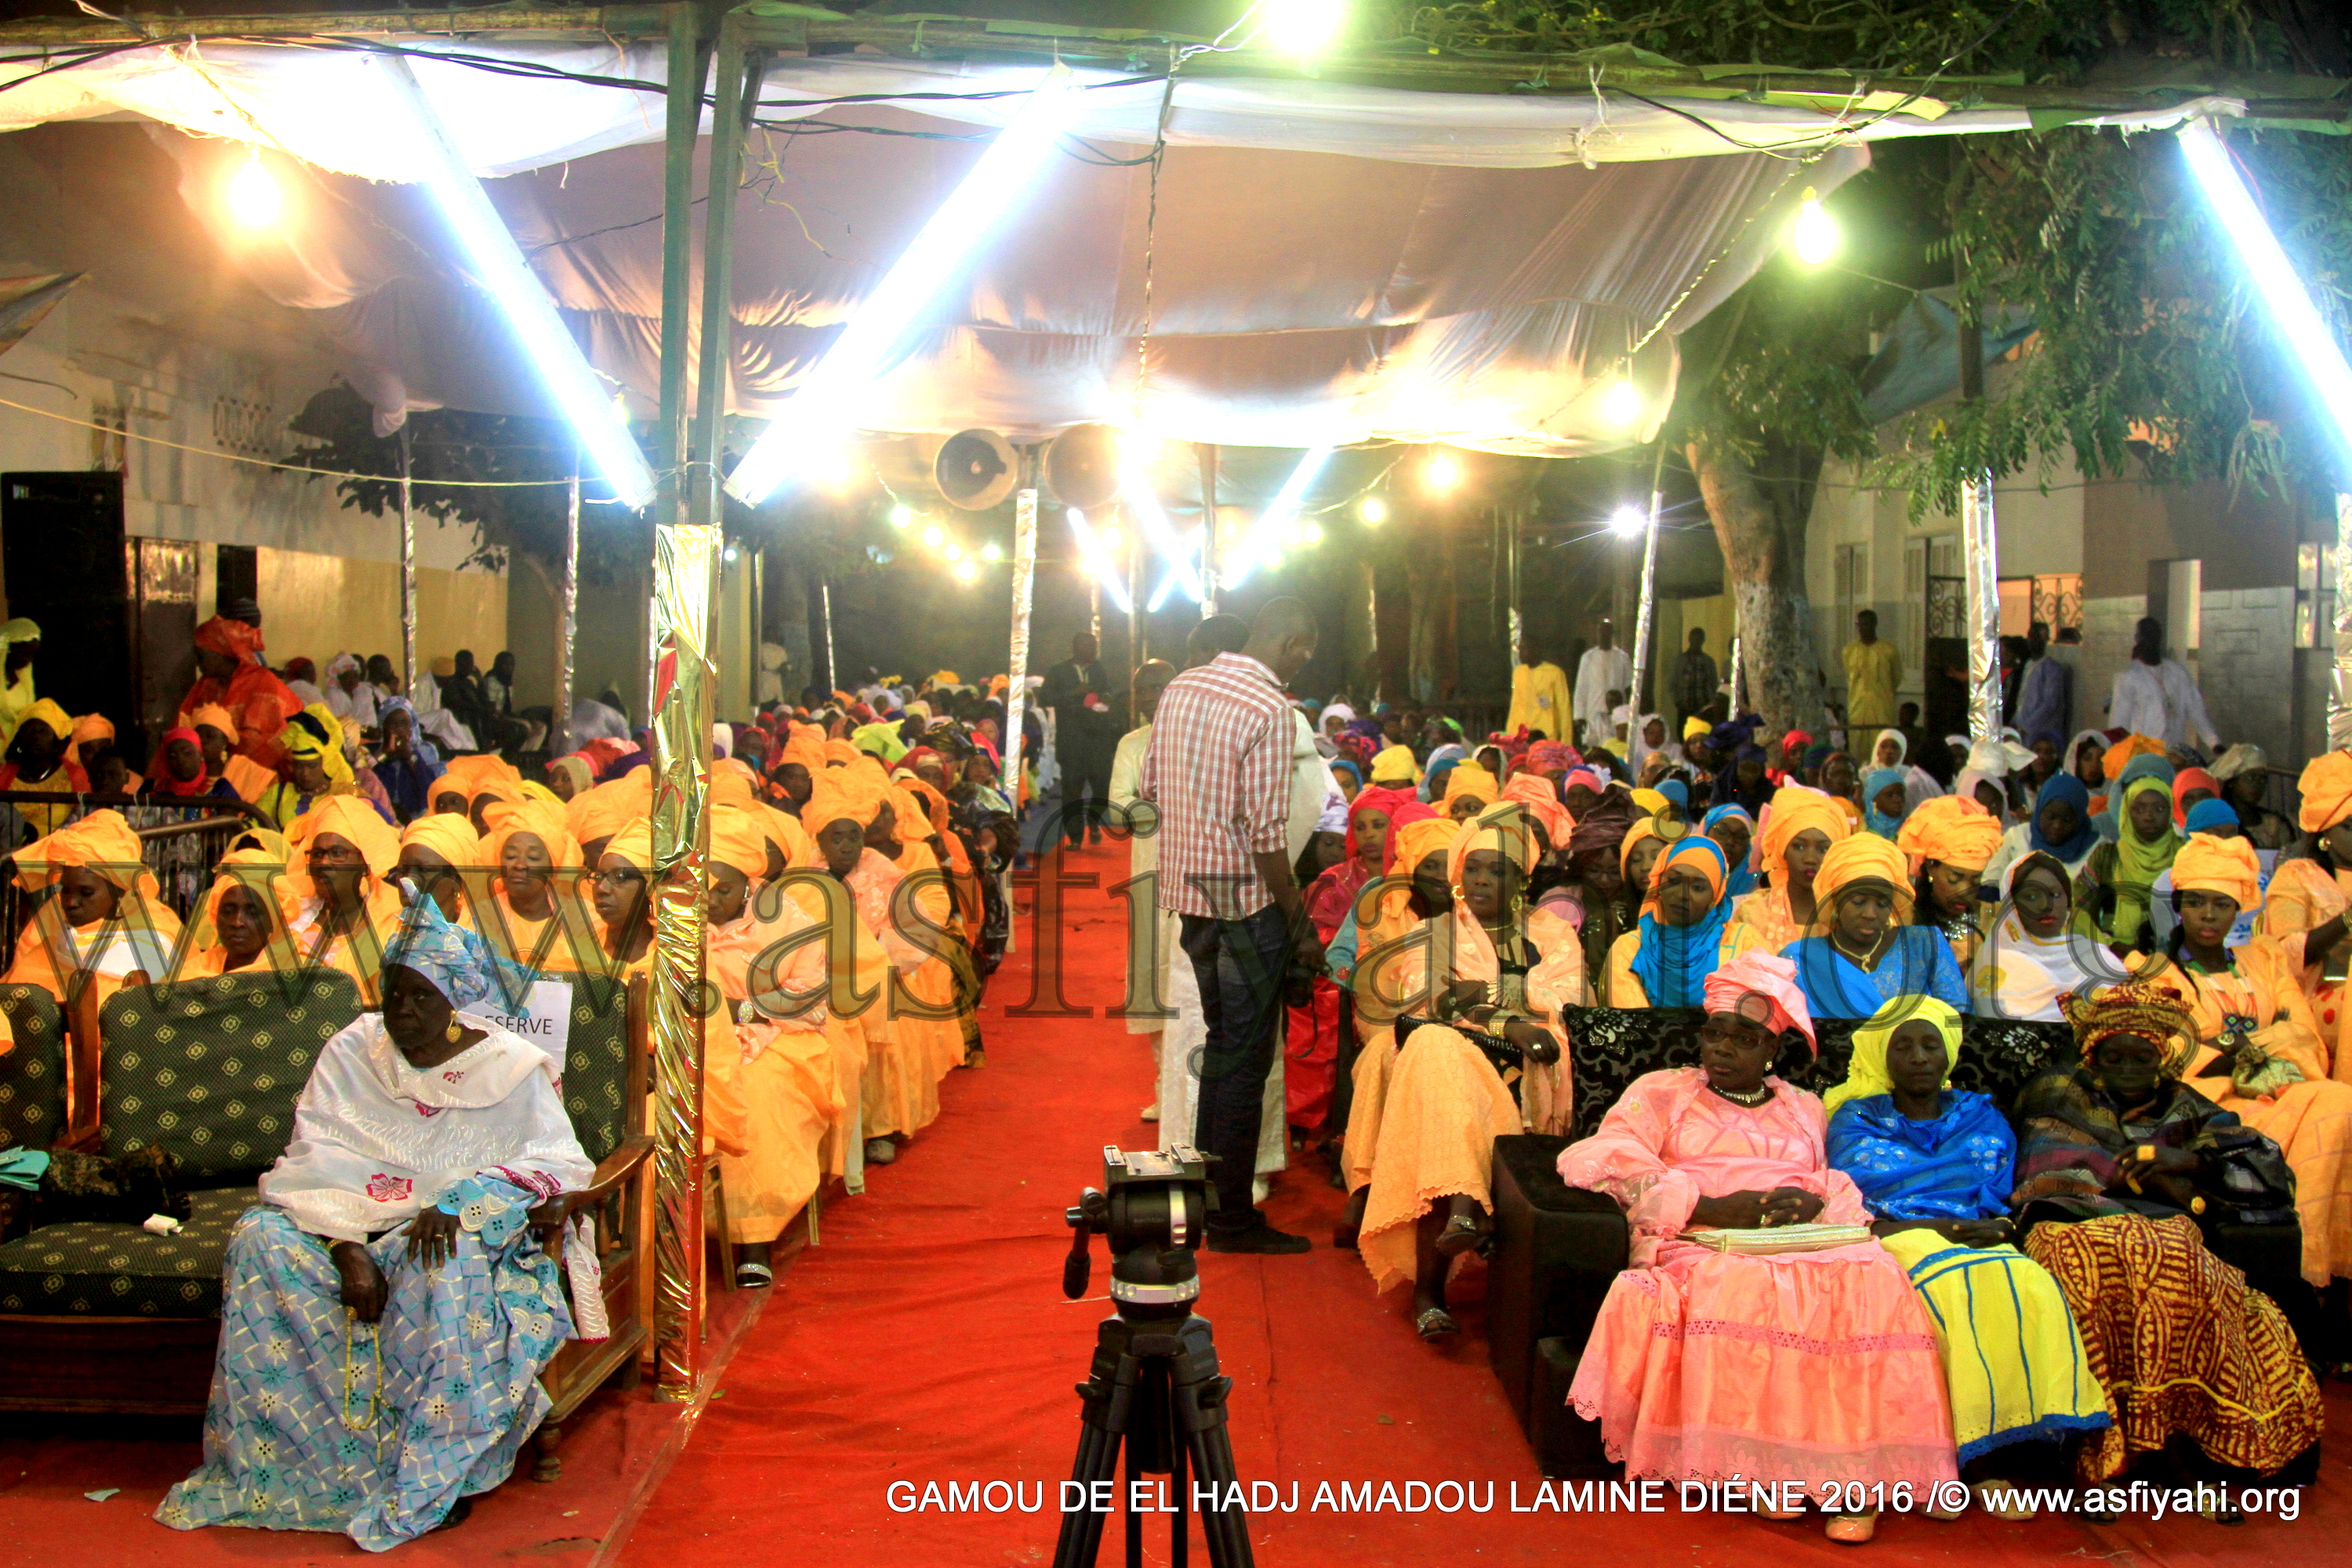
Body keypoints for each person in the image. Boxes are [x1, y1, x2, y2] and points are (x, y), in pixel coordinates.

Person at [156, 894, 597, 1548]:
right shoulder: (354, 1049)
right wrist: (343, 1244)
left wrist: (462, 1201)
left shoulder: (506, 1065)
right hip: (340, 1220)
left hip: (443, 1232)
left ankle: (433, 1476)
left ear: (455, 1003)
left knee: (446, 1261)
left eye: (422, 997)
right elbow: (316, 1153)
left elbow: (558, 1162)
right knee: (260, 1239)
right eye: (393, 995)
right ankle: (288, 1469)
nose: (404, 1012)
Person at [1563, 951, 1958, 1541]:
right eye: (1715, 1034)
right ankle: (1765, 1471)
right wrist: (1700, 1201)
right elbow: (1595, 1157)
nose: (1722, 1048)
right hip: (1706, 1238)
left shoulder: (1803, 1107)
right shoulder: (1664, 1092)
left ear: (1771, 1051)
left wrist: (1814, 1200)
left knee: (1873, 1276)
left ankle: (1857, 1476)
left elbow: (1827, 1177)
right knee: (1743, 1285)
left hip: (1801, 1236)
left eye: (1743, 1038)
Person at [2009, 982, 2324, 1488]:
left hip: (2161, 1225)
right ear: (2094, 1057)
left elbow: (2265, 1167)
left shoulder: (2184, 1103)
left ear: (2161, 1061)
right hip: (2066, 1220)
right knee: (2089, 1276)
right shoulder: (2059, 1089)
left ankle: (2173, 1443)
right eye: (2116, 1057)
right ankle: (2096, 1446)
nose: (2129, 1068)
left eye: (2142, 1058)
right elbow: (2051, 1160)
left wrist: (2189, 1162)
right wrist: (2153, 1178)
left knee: (2190, 1273)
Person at [1824, 999, 2109, 1501]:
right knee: (1955, 1287)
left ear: (1949, 1053)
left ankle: (2037, 1438)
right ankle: (1973, 1452)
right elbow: (1862, 1193)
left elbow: (1997, 1186)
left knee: (2029, 1283)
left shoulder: (1981, 1115)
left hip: (1975, 1232)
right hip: (1896, 1233)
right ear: (1882, 1057)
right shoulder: (1855, 1118)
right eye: (1903, 1046)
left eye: (1930, 1044)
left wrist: (1996, 1226)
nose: (1918, 1057)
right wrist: (1945, 1224)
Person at [1138, 598, 1324, 1254]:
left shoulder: (1182, 686)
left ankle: (1210, 1201)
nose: (1305, 659)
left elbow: (1151, 787)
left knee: (1222, 1050)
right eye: (1306, 650)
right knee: (1243, 1064)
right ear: (1293, 643)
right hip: (1247, 911)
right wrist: (1299, 924)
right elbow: (1268, 834)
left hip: (1190, 901)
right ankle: (1232, 1220)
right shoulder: (1272, 710)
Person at [1353, 806, 1578, 1336]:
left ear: (1521, 880)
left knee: (1439, 1071)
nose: (1480, 880)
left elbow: (1565, 998)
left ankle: (1433, 1286)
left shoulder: (1553, 934)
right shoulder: (1437, 932)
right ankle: (1460, 1208)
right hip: (1462, 1062)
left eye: (1496, 870)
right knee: (1436, 1052)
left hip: (1523, 1071)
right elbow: (1422, 997)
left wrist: (1482, 998)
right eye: (1472, 868)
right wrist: (1509, 1020)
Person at [2160, 830, 2352, 1288]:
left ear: (2237, 910)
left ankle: (2318, 1261)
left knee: (2338, 1100)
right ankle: (2301, 1269)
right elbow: (2171, 1051)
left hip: (2287, 1089)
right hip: (2214, 1100)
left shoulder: (2263, 957)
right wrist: (2260, 1045)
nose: (2209, 915)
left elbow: (2304, 1035)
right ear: (2179, 905)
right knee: (2328, 1106)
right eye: (2198, 902)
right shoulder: (2156, 970)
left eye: (2222, 904)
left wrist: (2240, 1050)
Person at [2, 811, 181, 1008]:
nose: (70, 902)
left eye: (86, 893)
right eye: (66, 890)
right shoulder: (53, 910)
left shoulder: (157, 927)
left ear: (119, 890)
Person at [1782, 833, 1968, 1018]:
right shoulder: (1801, 960)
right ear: (1835, 899)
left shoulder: (1925, 945)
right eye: (1858, 901)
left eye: (1882, 904)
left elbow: (1959, 1022)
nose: (1870, 914)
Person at [1602, 836, 1765, 1007]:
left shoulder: (1744, 942)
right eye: (1673, 881)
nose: (1682, 895)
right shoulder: (1630, 948)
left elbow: (1759, 1016)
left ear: (1715, 897)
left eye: (1698, 888)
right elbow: (1631, 1024)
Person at [1731, 786, 1849, 952]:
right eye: (1799, 847)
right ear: (1783, 851)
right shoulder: (1755, 912)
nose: (1810, 859)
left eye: (1823, 849)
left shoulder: (1851, 915)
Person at [178, 613, 300, 771]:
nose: (196, 662)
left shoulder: (262, 683)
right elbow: (185, 727)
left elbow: (270, 742)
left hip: (263, 776)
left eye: (201, 656)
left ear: (221, 654)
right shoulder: (208, 685)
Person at [1896, 797, 2003, 971]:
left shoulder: (1995, 920)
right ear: (1930, 867)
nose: (1965, 891)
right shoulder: (1902, 921)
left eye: (1976, 879)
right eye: (1956, 878)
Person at [2073, 771, 2178, 949]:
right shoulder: (2107, 857)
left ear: (2171, 812)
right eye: (2139, 809)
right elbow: (2080, 911)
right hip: (2111, 956)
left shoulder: (2184, 857)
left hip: (2171, 956)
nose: (2148, 817)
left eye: (2159, 809)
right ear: (2126, 812)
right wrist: (2105, 946)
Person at [1039, 631, 1121, 848]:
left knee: (1104, 788)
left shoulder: (1099, 669)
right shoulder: (1058, 671)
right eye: (1089, 646)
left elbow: (1110, 693)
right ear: (1076, 648)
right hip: (1072, 741)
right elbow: (1044, 698)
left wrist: (1107, 698)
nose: (1094, 650)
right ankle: (1075, 836)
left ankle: (1094, 820)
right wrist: (1073, 693)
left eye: (1095, 646)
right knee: (1072, 792)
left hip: (1099, 741)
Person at [2106, 617, 2218, 753]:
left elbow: (2196, 710)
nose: (2150, 639)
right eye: (2146, 634)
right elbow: (2119, 723)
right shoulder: (2128, 677)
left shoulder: (2178, 673)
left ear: (2160, 637)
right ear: (2138, 638)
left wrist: (2214, 743)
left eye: (2154, 634)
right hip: (2143, 756)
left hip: (2174, 753)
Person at [1977, 771, 2099, 895]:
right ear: (2040, 810)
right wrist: (1992, 912)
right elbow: (1990, 887)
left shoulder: (2097, 851)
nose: (2057, 826)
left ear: (2080, 818)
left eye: (2067, 819)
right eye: (2051, 817)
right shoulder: (2017, 837)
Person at [0, 697, 89, 837]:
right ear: (19, 740)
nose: (35, 737)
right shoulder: (3, 775)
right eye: (29, 731)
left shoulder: (76, 776)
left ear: (56, 741)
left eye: (42, 731)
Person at [2212, 743, 2291, 850]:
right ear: (2232, 782)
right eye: (2250, 778)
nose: (2257, 785)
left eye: (2262, 779)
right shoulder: (2218, 824)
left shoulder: (2275, 825)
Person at [1572, 620, 1630, 752]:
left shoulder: (1622, 657)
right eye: (1601, 632)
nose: (1604, 635)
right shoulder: (1588, 658)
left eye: (1607, 632)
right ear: (1597, 634)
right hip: (1593, 711)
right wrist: (1579, 716)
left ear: (1612, 634)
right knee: (1595, 748)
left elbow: (1629, 687)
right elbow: (1581, 688)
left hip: (1618, 714)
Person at [1840, 609, 1901, 732]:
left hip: (1882, 707)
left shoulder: (1889, 650)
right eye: (1859, 625)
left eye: (1866, 624)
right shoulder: (1849, 651)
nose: (1862, 629)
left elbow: (1896, 678)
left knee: (1881, 740)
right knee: (1858, 742)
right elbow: (1849, 676)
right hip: (1857, 706)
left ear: (1874, 624)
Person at [2012, 620, 2071, 746]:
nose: (2033, 642)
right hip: (2023, 728)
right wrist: (2017, 721)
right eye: (2032, 637)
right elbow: (2022, 698)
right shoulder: (2029, 665)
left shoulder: (2051, 668)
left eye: (2039, 638)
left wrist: (2028, 725)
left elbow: (2049, 704)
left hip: (2042, 730)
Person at [1505, 637, 1574, 741]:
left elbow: (1564, 709)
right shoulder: (1519, 672)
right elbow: (1515, 705)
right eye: (1520, 649)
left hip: (1546, 735)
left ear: (1535, 650)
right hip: (1520, 735)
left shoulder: (1555, 673)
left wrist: (1566, 741)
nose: (1520, 653)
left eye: (1524, 649)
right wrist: (1509, 736)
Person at [0, 618, 38, 749]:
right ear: (9, 648)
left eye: (32, 655)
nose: (28, 660)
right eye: (25, 653)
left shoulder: (24, 681)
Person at [1670, 627, 1717, 733]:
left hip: (1704, 708)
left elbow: (1714, 684)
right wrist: (1678, 701)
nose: (1696, 641)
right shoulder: (1680, 661)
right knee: (1684, 735)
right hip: (1685, 708)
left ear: (1703, 641)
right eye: (1694, 638)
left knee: (1703, 734)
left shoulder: (1708, 661)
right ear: (1689, 639)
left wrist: (1711, 703)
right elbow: (1673, 683)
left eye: (1699, 639)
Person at [325, 652, 379, 730]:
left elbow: (371, 720)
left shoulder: (365, 691)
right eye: (348, 676)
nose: (352, 680)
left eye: (355, 676)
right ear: (339, 678)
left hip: (369, 735)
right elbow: (339, 724)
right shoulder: (333, 695)